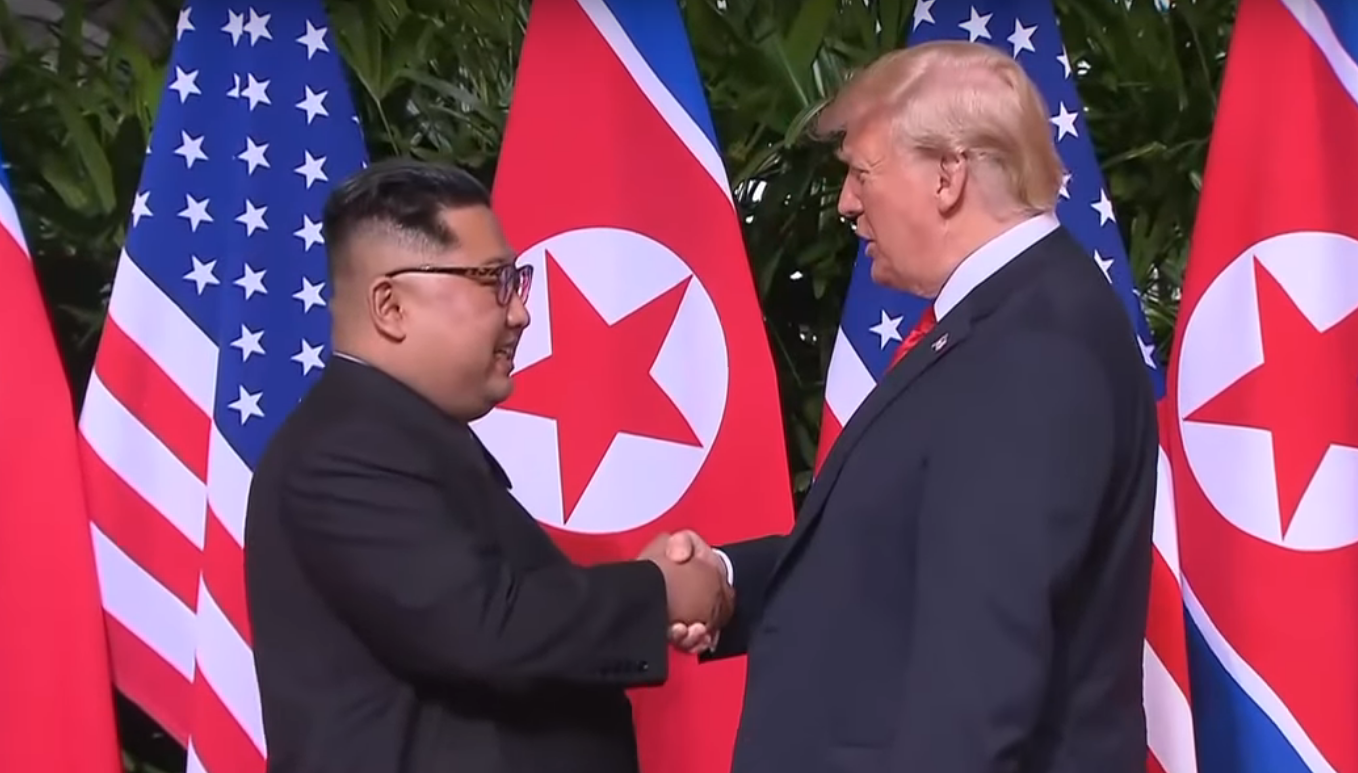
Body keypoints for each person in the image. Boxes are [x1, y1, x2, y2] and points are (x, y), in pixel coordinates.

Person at [664, 41, 1159, 773]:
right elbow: (901, 559)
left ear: (948, 176)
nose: (847, 202)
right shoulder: (1013, 318)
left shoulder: (1032, 348)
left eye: (862, 173)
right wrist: (727, 581)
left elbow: (978, 678)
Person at [242, 158, 731, 773]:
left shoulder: (399, 437)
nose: (520, 312)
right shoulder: (342, 450)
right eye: (495, 280)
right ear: (391, 306)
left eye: (516, 281)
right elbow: (486, 627)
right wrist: (658, 593)